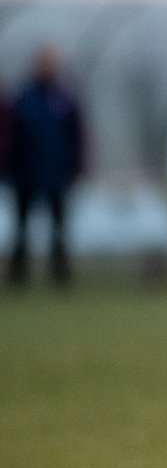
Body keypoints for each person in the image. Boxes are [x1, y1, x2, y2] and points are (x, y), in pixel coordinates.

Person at [8, 46, 84, 287]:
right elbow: (11, 135)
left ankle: (60, 273)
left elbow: (77, 135)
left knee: (59, 227)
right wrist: (10, 165)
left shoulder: (64, 99)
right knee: (21, 227)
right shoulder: (24, 98)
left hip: (56, 173)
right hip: (25, 173)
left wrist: (76, 164)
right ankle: (18, 273)